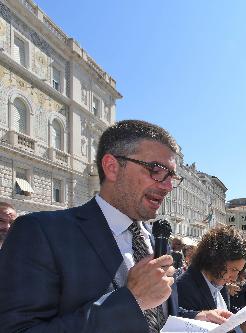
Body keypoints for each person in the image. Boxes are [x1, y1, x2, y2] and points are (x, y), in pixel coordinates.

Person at [0, 120, 224, 332]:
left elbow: (156, 311)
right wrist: (131, 301)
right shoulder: (41, 233)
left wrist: (195, 318)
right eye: (156, 170)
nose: (167, 186)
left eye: (172, 177)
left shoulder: (156, 241)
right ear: (112, 167)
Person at [176, 225, 246, 333]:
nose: (234, 278)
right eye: (233, 269)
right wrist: (240, 330)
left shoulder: (219, 281)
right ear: (215, 260)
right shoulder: (184, 288)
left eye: (238, 271)